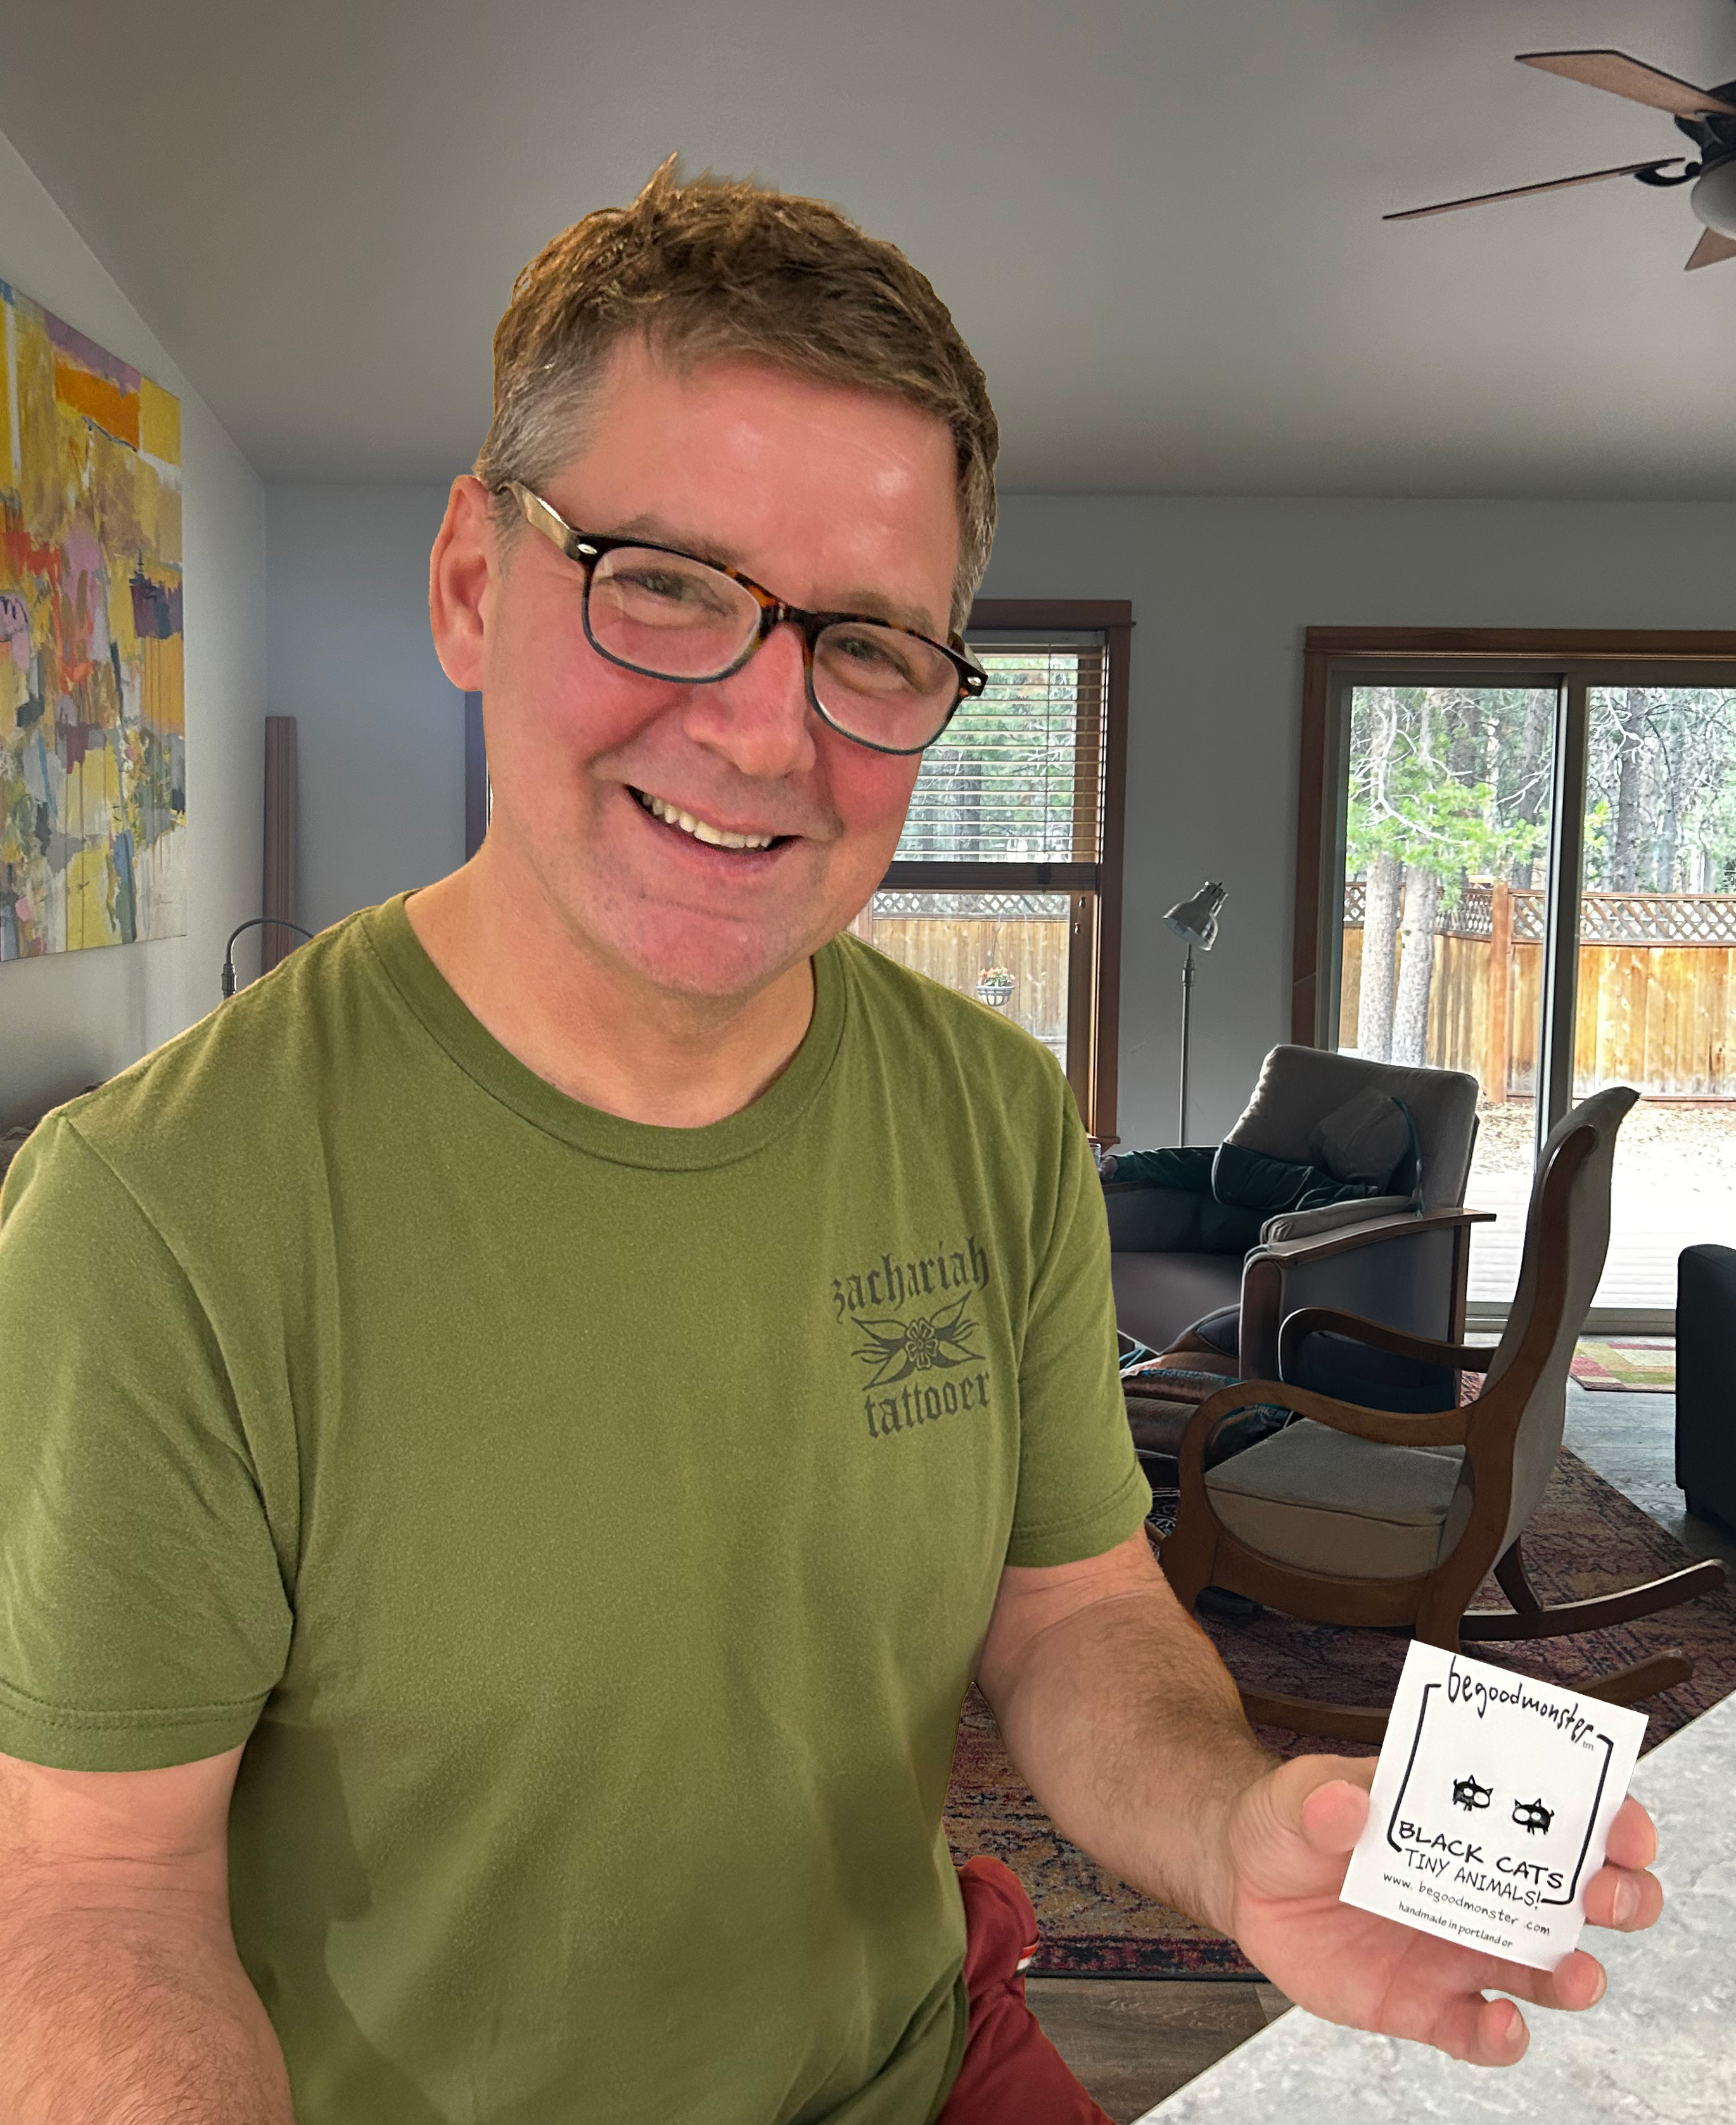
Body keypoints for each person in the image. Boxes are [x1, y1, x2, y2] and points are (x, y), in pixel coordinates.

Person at [0, 160, 1662, 2125]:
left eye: (868, 644)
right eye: (669, 584)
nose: (766, 730)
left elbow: (1070, 1607)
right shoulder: (157, 1210)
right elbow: (92, 1890)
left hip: (915, 2058)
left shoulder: (982, 1112)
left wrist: (1233, 1827)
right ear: (472, 581)